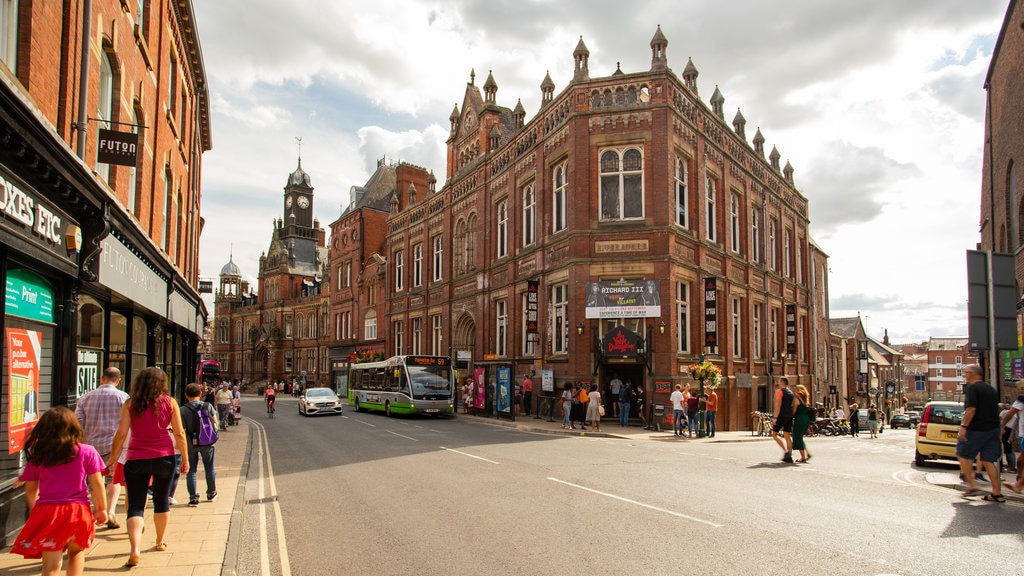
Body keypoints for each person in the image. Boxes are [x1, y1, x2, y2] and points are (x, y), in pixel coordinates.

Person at [106, 367, 190, 568]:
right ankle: (159, 541)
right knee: (161, 501)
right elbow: (179, 433)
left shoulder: (130, 404)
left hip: (136, 459)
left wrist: (111, 459)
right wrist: (185, 458)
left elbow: (120, 434)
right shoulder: (170, 403)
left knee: (135, 504)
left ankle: (134, 549)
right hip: (165, 458)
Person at [10, 407, 107, 576]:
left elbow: (31, 488)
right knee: (76, 552)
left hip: (49, 512)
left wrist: (35, 511)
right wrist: (102, 508)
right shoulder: (87, 451)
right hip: (78, 512)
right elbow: (97, 484)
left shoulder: (38, 455)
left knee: (50, 564)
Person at [74, 366, 129, 530]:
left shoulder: (85, 398)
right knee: (114, 479)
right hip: (114, 446)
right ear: (118, 380)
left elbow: (78, 424)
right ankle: (111, 511)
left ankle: (100, 509)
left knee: (94, 480)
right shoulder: (123, 398)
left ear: (101, 378)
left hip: (91, 447)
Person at [956, 363, 1004, 502]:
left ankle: (971, 486)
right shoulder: (990, 389)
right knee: (988, 460)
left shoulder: (973, 388)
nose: (964, 375)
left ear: (971, 374)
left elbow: (971, 409)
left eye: (965, 372)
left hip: (977, 429)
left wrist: (964, 427)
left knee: (962, 454)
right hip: (993, 429)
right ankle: (996, 493)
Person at [179, 383, 218, 507]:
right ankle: (211, 492)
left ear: (186, 395)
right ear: (201, 394)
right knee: (209, 468)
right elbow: (215, 423)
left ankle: (193, 498)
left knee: (191, 470)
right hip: (207, 442)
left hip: (190, 443)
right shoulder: (208, 406)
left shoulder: (182, 410)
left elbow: (182, 430)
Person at [772, 377, 795, 463]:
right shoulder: (790, 392)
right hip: (789, 416)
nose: (778, 383)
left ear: (782, 382)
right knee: (787, 435)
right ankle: (789, 454)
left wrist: (775, 417)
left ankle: (785, 451)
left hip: (781, 415)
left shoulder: (779, 391)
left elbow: (778, 405)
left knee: (774, 434)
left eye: (779, 381)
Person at [792, 385, 813, 463]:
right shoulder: (806, 401)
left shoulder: (797, 400)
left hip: (799, 419)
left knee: (797, 437)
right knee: (800, 437)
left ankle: (803, 457)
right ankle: (807, 453)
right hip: (806, 419)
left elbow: (794, 412)